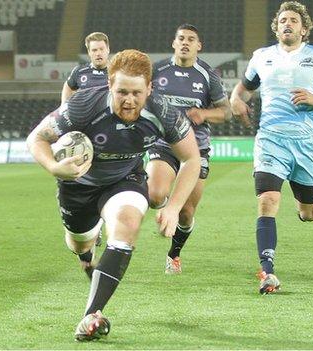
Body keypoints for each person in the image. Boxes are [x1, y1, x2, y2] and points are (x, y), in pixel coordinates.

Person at [27, 49, 200, 341]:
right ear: (109, 85)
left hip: (125, 179)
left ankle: (91, 315)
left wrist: (173, 207)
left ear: (149, 88)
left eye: (136, 92)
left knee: (128, 224)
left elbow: (191, 159)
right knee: (79, 242)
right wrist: (55, 167)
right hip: (77, 185)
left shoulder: (163, 112)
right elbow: (37, 138)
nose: (129, 100)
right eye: (121, 92)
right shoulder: (84, 104)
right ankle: (86, 255)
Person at [230, 1, 313, 294]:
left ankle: (303, 207)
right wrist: (236, 100)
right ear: (276, 26)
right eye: (283, 19)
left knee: (309, 213)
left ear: (304, 28)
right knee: (268, 201)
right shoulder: (261, 57)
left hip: (305, 145)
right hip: (271, 140)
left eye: (294, 20)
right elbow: (243, 88)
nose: (287, 23)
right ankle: (267, 271)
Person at [147, 23, 249, 274]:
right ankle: (167, 208)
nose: (185, 42)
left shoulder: (207, 74)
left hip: (196, 149)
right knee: (156, 195)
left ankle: (174, 254)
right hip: (164, 143)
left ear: (198, 46)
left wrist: (204, 114)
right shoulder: (157, 69)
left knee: (187, 212)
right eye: (180, 38)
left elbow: (225, 112)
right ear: (173, 43)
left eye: (191, 39)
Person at [60, 32, 110, 104]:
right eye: (94, 50)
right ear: (89, 52)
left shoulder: (117, 72)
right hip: (87, 114)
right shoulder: (80, 71)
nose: (98, 53)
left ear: (108, 49)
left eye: (101, 49)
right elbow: (68, 87)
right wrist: (64, 106)